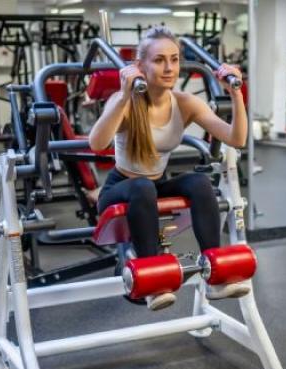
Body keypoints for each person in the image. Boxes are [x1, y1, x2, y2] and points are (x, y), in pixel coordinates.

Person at [89, 26, 248, 310]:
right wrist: (123, 96)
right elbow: (97, 144)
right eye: (159, 60)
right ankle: (151, 281)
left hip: (155, 185)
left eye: (174, 59)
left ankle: (215, 274)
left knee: (199, 183)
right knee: (142, 186)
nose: (169, 68)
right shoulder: (124, 101)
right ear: (140, 66)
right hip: (120, 188)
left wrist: (235, 94)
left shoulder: (185, 103)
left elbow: (237, 139)